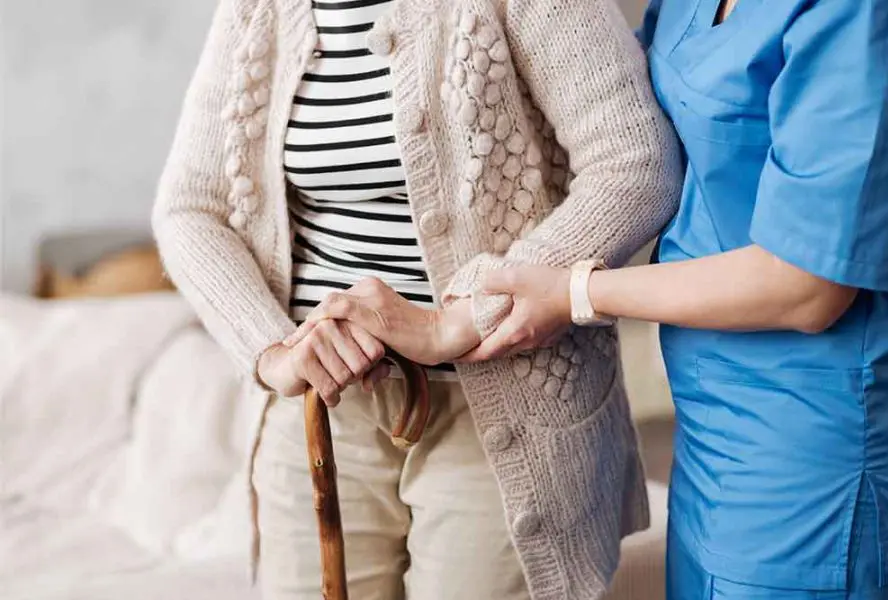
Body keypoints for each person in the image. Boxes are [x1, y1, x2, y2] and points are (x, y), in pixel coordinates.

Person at [331, 0, 888, 597]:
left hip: (817, 433)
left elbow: (807, 286)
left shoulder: (855, 13)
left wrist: (576, 291)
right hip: (711, 423)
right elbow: (609, 103)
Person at [152, 0, 682, 597]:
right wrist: (270, 349)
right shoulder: (256, 10)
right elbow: (191, 208)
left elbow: (636, 163)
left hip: (504, 400)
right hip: (321, 414)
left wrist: (468, 315)